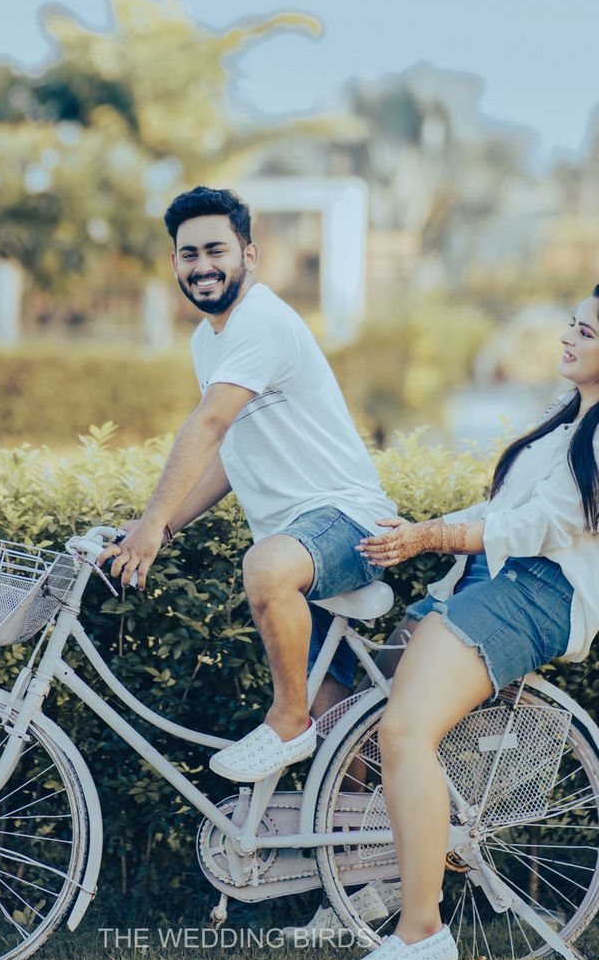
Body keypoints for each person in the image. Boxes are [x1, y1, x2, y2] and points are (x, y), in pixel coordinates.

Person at [326, 283, 599, 960]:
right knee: (363, 722)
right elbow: (504, 507)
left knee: (403, 731)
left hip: (535, 592)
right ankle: (380, 882)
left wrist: (437, 536)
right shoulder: (568, 418)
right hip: (489, 581)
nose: (568, 337)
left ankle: (421, 930)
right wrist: (420, 530)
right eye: (571, 324)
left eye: (586, 331)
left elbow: (543, 526)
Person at [98, 184, 395, 783]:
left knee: (264, 568)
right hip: (300, 546)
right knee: (342, 742)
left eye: (216, 250)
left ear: (248, 256)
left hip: (346, 522)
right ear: (175, 264)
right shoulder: (207, 341)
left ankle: (287, 723)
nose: (203, 266)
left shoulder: (260, 319)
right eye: (188, 255)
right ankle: (362, 858)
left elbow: (208, 424)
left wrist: (152, 526)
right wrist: (159, 525)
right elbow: (230, 456)